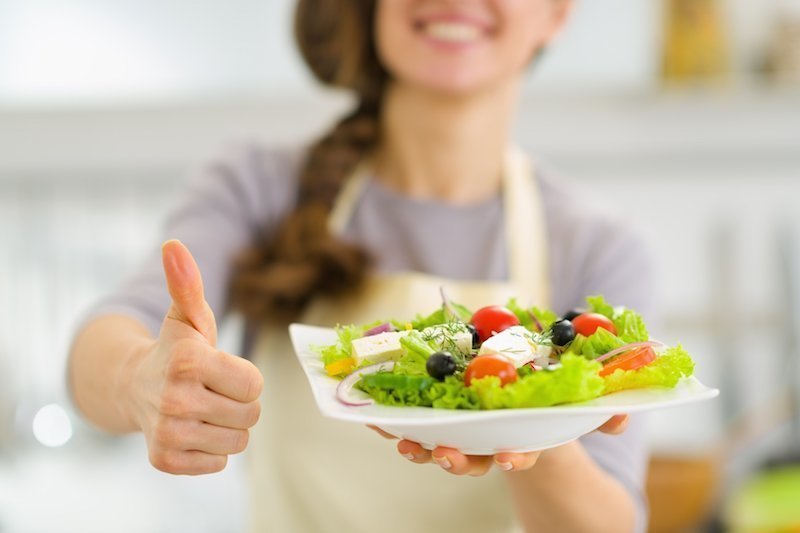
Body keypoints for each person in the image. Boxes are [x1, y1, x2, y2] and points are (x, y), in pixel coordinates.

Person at [69, 1, 655, 531]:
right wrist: (139, 380)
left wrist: (532, 414)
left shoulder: (597, 245)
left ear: (555, 12)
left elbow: (607, 524)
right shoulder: (260, 185)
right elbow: (102, 347)